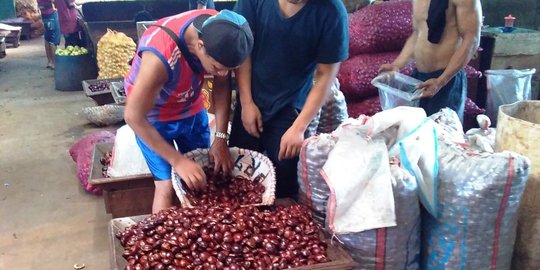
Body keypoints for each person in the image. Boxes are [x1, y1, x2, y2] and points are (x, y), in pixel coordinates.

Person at [124, 9, 254, 213]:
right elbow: (133, 116)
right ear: (200, 46)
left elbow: (222, 84)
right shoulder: (160, 56)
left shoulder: (220, 29)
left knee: (201, 176)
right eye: (218, 67)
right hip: (152, 117)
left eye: (229, 69)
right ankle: (162, 240)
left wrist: (220, 138)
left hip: (190, 104)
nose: (223, 74)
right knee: (166, 185)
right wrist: (178, 161)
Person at [231, 0, 349, 198]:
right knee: (237, 175)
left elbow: (325, 75)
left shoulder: (332, 12)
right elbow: (244, 52)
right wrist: (246, 103)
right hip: (251, 96)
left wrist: (299, 127)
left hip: (290, 106)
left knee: (285, 186)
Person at [379, 0, 482, 121]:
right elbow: (418, 32)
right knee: (415, 133)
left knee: (444, 135)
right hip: (418, 80)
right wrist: (397, 64)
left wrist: (441, 81)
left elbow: (471, 40)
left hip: (446, 82)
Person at [38, 0, 61, 69]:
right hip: (51, 13)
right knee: (53, 40)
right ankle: (55, 63)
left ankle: (50, 62)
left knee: (47, 38)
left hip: (44, 14)